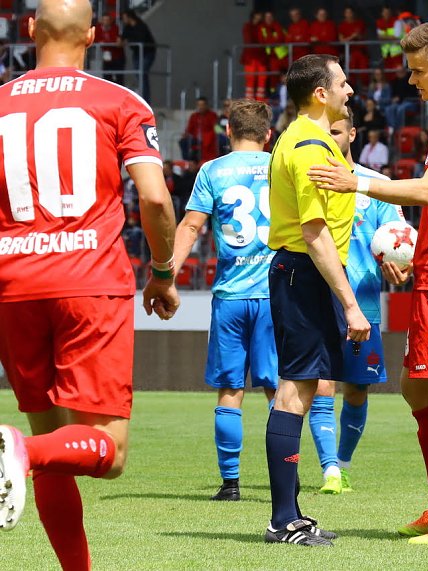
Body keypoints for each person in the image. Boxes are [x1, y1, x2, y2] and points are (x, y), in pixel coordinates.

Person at [0, 2, 178, 569]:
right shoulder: (120, 101)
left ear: (30, 28)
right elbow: (155, 198)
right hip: (89, 286)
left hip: (13, 287)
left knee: (50, 452)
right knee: (108, 452)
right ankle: (17, 449)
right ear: (95, 35)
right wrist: (163, 271)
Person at [309, 19, 428, 545]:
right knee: (415, 384)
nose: (411, 81)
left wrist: (357, 182)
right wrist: (420, 254)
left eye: (417, 71)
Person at [264, 53, 368, 547]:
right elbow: (314, 232)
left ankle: (290, 514)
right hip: (303, 273)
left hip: (303, 273)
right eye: (343, 83)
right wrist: (350, 303)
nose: (350, 90)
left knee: (302, 389)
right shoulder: (308, 146)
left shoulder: (312, 139)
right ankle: (283, 520)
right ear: (321, 93)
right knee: (295, 390)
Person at [171, 99, 277, 502]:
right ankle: (285, 479)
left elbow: (191, 226)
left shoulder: (212, 170)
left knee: (230, 391)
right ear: (268, 134)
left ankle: (230, 484)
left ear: (228, 131)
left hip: (231, 296)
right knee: (279, 392)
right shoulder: (280, 165)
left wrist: (167, 277)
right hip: (274, 296)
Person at [307, 108, 406, 494]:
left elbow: (399, 236)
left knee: (356, 390)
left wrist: (401, 264)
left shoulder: (377, 184)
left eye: (336, 131)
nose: (330, 138)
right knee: (321, 386)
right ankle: (330, 470)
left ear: (352, 135)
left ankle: (343, 464)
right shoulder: (310, 180)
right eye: (325, 132)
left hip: (363, 303)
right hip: (318, 299)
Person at [120, 8, 156, 103]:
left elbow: (141, 39)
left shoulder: (141, 26)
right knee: (138, 74)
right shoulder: (127, 27)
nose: (123, 20)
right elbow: (123, 37)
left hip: (147, 52)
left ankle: (145, 100)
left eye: (124, 18)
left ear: (129, 17)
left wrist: (128, 41)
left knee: (142, 73)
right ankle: (142, 97)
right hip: (137, 53)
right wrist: (120, 40)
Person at [182, 96, 220, 164]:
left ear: (206, 105)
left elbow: (216, 128)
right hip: (196, 139)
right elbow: (189, 129)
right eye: (199, 105)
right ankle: (188, 160)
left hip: (208, 139)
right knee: (183, 141)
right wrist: (185, 134)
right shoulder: (194, 116)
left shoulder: (212, 115)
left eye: (202, 105)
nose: (201, 107)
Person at [241, 11, 266, 101]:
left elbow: (264, 39)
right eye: (256, 17)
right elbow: (248, 40)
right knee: (250, 78)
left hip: (260, 57)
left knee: (262, 78)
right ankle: (249, 101)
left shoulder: (262, 27)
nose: (258, 19)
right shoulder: (248, 26)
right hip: (250, 57)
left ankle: (260, 100)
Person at [94, 13, 124, 85]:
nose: (106, 22)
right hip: (106, 56)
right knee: (107, 77)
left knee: (119, 77)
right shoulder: (97, 29)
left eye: (108, 20)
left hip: (117, 56)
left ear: (111, 21)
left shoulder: (115, 28)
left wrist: (105, 42)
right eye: (104, 20)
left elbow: (117, 40)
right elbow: (96, 40)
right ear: (101, 20)